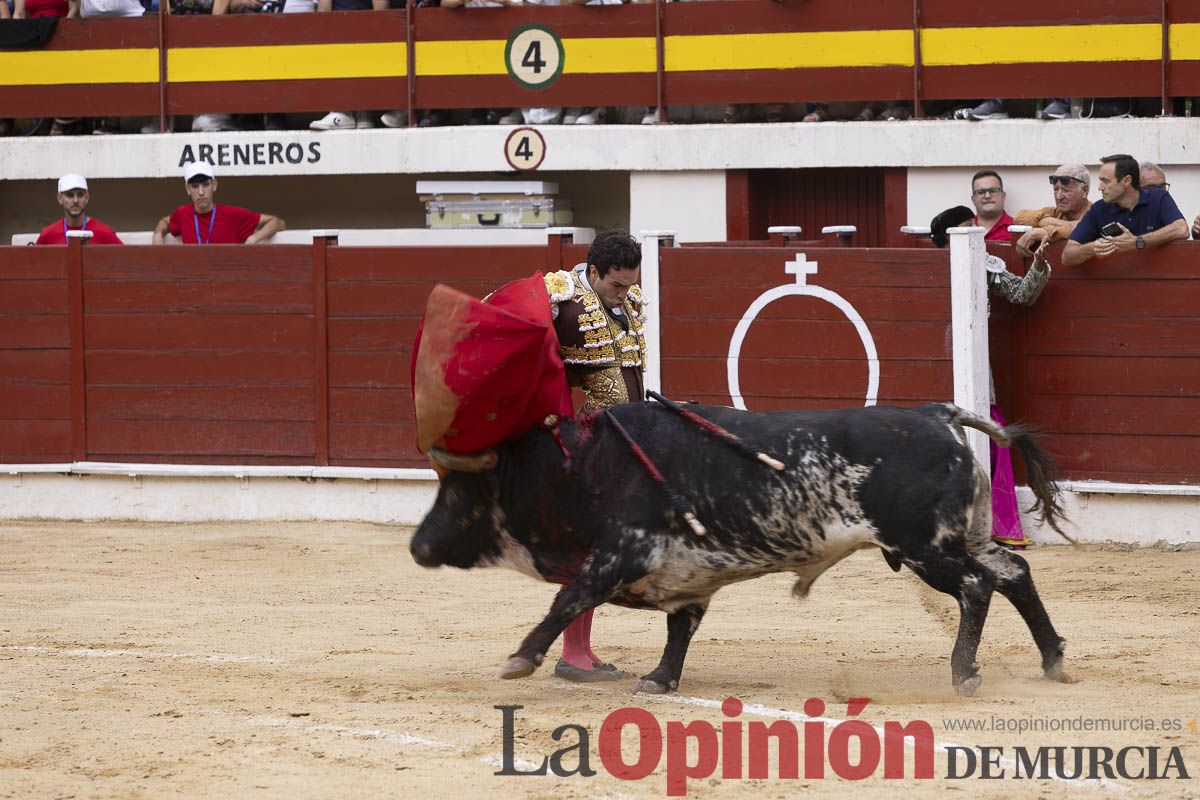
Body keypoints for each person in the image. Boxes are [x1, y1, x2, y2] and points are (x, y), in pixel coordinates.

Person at [542, 229, 646, 680]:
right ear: (594, 271)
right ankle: (572, 652)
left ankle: (581, 648)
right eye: (616, 284)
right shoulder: (559, 302)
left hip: (621, 446)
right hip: (584, 449)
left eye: (629, 284)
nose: (624, 293)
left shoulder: (628, 302)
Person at [930, 205, 1052, 549]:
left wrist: (1038, 265)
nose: (975, 233)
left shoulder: (985, 264)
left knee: (991, 434)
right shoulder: (930, 266)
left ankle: (997, 523)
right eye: (965, 227)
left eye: (974, 225)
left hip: (978, 369)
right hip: (942, 364)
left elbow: (1022, 294)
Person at [1062, 154, 1188, 266]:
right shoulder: (1099, 209)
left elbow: (1181, 229)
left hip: (1160, 278)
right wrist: (1093, 247)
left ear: (1126, 181)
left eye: (1106, 181)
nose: (1100, 187)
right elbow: (1067, 256)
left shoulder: (1158, 198)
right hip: (1114, 282)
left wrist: (1138, 242)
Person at [153, 161, 286, 244]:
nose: (201, 192)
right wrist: (158, 233)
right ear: (188, 189)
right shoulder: (182, 214)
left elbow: (278, 222)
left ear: (214, 185)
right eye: (195, 186)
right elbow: (164, 222)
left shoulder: (232, 214)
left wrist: (254, 238)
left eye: (206, 185)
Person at [1012, 164, 1092, 258]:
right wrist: (1056, 222)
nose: (1059, 197)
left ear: (1084, 191)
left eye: (1066, 190)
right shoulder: (1056, 212)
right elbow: (1019, 217)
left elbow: (1083, 228)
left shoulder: (1096, 213)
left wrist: (1044, 232)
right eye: (1056, 189)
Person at [35, 174, 124, 245]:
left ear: (87, 197)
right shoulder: (48, 235)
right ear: (60, 198)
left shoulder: (105, 233)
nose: (75, 200)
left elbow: (126, 259)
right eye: (70, 195)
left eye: (80, 195)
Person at [970, 170, 1014, 243]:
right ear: (973, 199)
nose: (987, 196)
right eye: (981, 192)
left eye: (993, 191)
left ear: (1003, 196)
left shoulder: (1016, 230)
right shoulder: (963, 230)